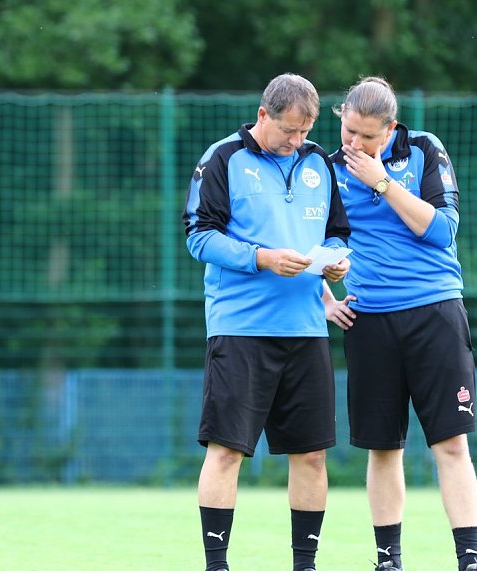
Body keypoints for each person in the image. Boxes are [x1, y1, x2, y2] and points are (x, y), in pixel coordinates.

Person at [183, 73, 351, 571]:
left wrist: (340, 261)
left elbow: (339, 234)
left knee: (313, 456)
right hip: (240, 330)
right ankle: (217, 564)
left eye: (305, 131)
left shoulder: (319, 162)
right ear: (263, 115)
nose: (296, 141)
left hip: (305, 331)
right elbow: (200, 238)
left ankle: (305, 564)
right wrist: (261, 258)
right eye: (288, 131)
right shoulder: (223, 159)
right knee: (227, 451)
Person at [323, 76, 477, 571]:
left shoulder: (423, 149)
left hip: (435, 312)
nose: (353, 144)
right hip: (369, 320)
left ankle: (471, 559)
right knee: (382, 448)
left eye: (366, 137)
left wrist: (382, 181)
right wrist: (323, 301)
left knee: (450, 443)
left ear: (389, 129)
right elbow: (304, 239)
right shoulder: (326, 170)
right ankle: (388, 561)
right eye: (348, 132)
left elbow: (440, 230)